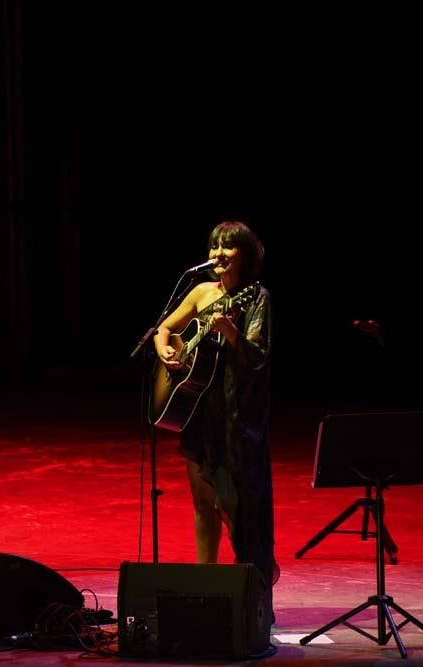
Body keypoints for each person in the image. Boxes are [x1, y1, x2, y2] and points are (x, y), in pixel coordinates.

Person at [153, 220, 277, 604]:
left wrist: (231, 333)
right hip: (199, 412)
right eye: (213, 247)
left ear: (245, 254)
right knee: (202, 501)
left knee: (235, 505)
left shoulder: (255, 298)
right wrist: (165, 349)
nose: (217, 255)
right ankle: (204, 584)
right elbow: (164, 329)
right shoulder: (201, 290)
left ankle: (253, 584)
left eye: (227, 248)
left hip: (236, 417)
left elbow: (258, 358)